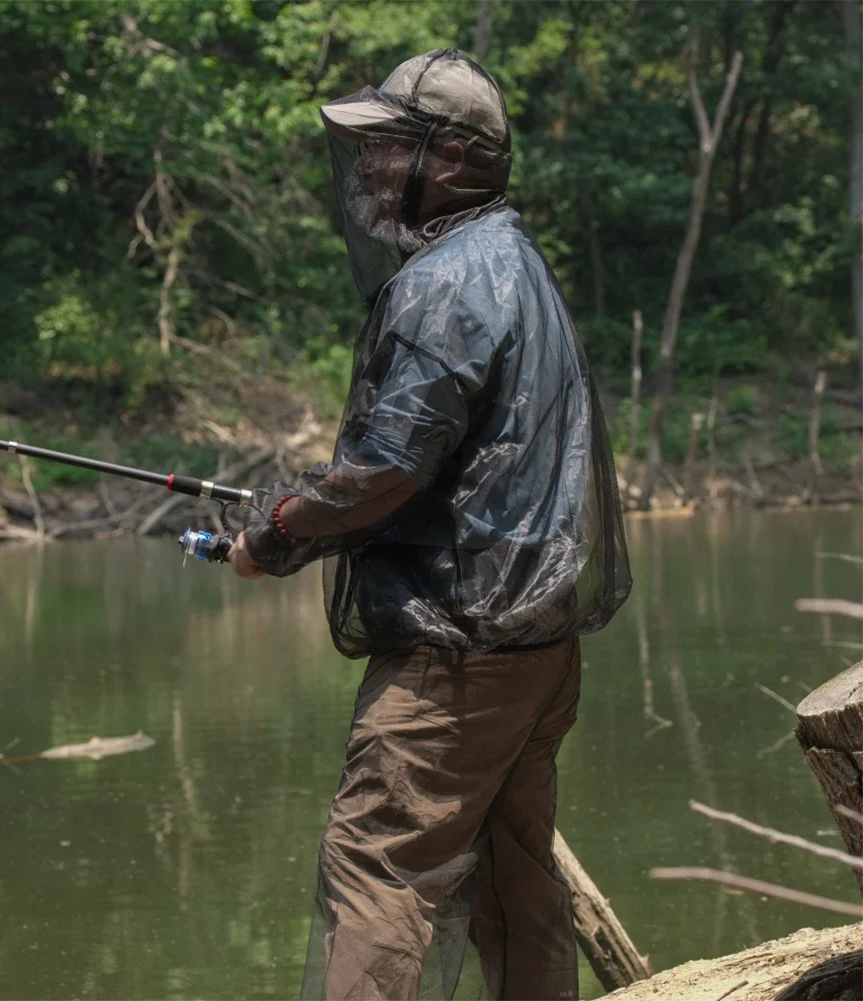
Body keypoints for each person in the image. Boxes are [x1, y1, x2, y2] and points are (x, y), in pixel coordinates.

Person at [227, 48, 632, 1001]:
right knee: (513, 874)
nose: (365, 169)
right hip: (534, 648)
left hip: (455, 658)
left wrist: (275, 531)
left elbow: (384, 472)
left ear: (450, 159)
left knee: (375, 870)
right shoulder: (515, 260)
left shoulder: (445, 282)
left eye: (386, 148)